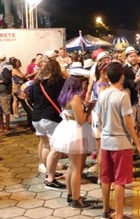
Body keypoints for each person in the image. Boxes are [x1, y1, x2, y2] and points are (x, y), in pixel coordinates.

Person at [95, 62, 140, 219]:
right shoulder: (122, 96)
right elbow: (129, 123)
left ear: (108, 77)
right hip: (121, 142)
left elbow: (100, 118)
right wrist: (137, 143)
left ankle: (105, 210)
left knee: (106, 178)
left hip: (106, 141)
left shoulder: (102, 94)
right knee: (120, 180)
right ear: (122, 77)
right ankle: (120, 214)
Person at [51, 74, 96, 209]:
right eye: (83, 83)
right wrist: (90, 109)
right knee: (77, 167)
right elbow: (81, 120)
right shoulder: (75, 98)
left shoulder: (66, 96)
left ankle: (71, 195)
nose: (84, 86)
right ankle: (76, 200)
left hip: (67, 129)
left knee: (71, 166)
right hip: (75, 131)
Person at [29, 60, 66, 189]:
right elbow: (65, 97)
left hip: (36, 118)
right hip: (51, 118)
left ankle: (49, 173)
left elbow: (30, 99)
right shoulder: (59, 81)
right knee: (55, 149)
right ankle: (51, 179)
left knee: (46, 146)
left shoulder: (36, 82)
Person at [0, 53, 13, 132]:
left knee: (6, 110)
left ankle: (6, 127)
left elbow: (7, 80)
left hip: (5, 91)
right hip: (2, 91)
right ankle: (2, 126)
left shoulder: (5, 67)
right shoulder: (5, 66)